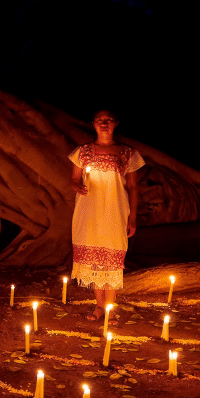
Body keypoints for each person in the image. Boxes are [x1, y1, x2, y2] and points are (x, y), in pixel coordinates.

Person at [68, 109, 144, 323]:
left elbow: (133, 186)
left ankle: (110, 307)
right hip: (88, 212)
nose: (104, 123)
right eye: (100, 120)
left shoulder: (127, 153)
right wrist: (77, 185)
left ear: (116, 123)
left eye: (108, 120)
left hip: (115, 211)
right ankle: (99, 306)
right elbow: (73, 179)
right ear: (93, 123)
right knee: (93, 261)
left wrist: (133, 216)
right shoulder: (81, 152)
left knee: (112, 260)